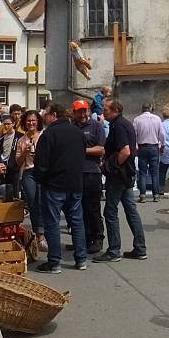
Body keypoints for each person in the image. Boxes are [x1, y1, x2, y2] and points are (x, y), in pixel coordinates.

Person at [34, 103, 88, 272]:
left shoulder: (49, 134)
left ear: (54, 114)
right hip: (75, 183)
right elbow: (82, 156)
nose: (44, 117)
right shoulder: (78, 132)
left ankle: (54, 262)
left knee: (52, 223)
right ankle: (81, 259)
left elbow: (41, 162)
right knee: (77, 222)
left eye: (46, 114)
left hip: (54, 184)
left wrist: (39, 179)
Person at [95, 98, 148, 261]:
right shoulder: (124, 124)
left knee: (110, 211)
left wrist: (111, 166)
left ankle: (113, 250)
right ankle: (139, 248)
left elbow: (125, 151)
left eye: (106, 109)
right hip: (127, 173)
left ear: (115, 110)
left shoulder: (118, 125)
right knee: (130, 209)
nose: (103, 112)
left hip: (119, 174)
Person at [72, 98, 107, 254]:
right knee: (77, 209)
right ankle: (82, 239)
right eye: (79, 111)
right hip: (75, 173)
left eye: (84, 110)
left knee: (92, 208)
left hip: (92, 172)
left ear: (88, 111)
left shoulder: (96, 126)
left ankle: (97, 238)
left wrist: (82, 150)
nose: (82, 114)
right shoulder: (72, 128)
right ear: (74, 113)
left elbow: (101, 149)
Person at [15, 109, 45, 251]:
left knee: (43, 202)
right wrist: (26, 152)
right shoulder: (21, 140)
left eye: (33, 120)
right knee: (33, 202)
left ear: (38, 121)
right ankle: (38, 234)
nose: (31, 123)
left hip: (44, 172)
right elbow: (18, 162)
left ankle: (46, 233)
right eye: (28, 121)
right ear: (24, 123)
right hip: (29, 172)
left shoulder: (44, 136)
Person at [133, 102, 165, 202]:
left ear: (142, 109)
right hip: (154, 146)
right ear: (151, 108)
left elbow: (134, 135)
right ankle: (155, 195)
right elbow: (162, 134)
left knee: (142, 172)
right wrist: (162, 145)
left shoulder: (137, 120)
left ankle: (142, 195)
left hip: (142, 147)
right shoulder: (157, 119)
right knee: (154, 172)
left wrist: (136, 146)